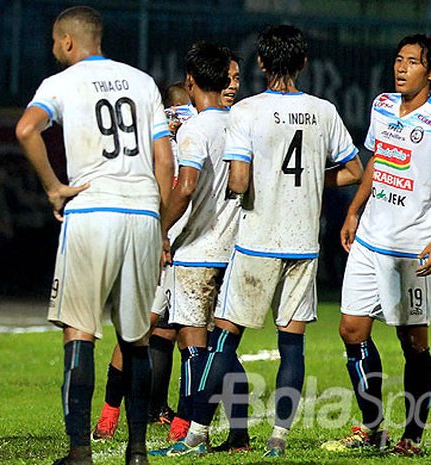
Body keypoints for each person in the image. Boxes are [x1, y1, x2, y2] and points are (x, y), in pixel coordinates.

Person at [178, 25, 363, 458]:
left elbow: (239, 180)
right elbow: (354, 170)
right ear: (302, 63)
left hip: (258, 240)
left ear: (261, 63)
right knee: (291, 343)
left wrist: (250, 183)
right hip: (303, 243)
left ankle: (197, 435)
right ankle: (278, 440)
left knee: (224, 338)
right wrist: (314, 183)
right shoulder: (324, 110)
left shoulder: (247, 111)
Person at [15, 6, 173, 465]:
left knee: (79, 331)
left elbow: (26, 129)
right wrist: (158, 225)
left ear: (67, 42)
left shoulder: (60, 84)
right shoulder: (143, 81)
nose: (52, 49)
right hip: (143, 212)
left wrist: (53, 188)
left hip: (92, 209)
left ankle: (80, 450)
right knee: (136, 337)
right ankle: (138, 450)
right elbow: (165, 161)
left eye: (53, 41)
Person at [322, 34, 431, 457]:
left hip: (411, 249)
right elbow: (376, 162)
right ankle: (373, 429)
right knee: (351, 329)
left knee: (414, 343)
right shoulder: (383, 105)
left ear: (429, 71)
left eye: (412, 62)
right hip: (370, 238)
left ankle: (413, 436)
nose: (401, 68)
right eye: (398, 60)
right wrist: (353, 210)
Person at [147, 42, 247, 457]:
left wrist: (161, 230)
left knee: (193, 346)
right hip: (237, 248)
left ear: (190, 82)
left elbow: (185, 187)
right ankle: (238, 434)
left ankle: (190, 434)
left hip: (199, 251)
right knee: (222, 348)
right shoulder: (242, 124)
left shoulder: (195, 129)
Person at [91, 81, 194, 443]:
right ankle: (111, 414)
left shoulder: (186, 136)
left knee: (171, 331)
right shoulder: (164, 142)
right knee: (152, 328)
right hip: (165, 244)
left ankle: (159, 415)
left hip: (186, 244)